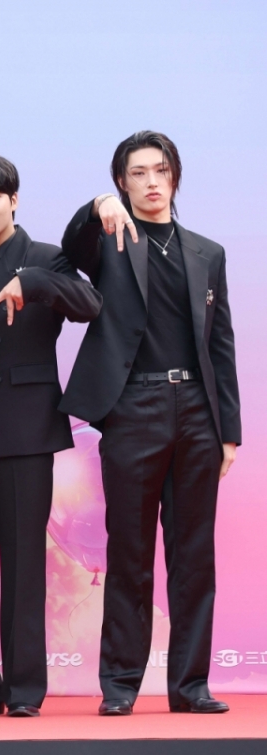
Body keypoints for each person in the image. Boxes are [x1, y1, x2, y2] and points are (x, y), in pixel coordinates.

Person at [60, 131, 240, 716]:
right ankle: (120, 686)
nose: (152, 181)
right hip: (132, 409)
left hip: (195, 413)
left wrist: (228, 430)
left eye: (161, 170)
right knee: (130, 554)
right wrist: (94, 209)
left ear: (175, 176)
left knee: (194, 557)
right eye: (138, 173)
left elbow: (221, 344)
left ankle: (191, 687)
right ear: (122, 182)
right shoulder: (109, 240)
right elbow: (68, 250)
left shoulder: (206, 252)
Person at [0, 154, 101, 718]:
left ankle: (26, 690)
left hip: (27, 432)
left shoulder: (47, 258)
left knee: (25, 562)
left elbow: (90, 306)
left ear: (14, 199)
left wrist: (33, 282)